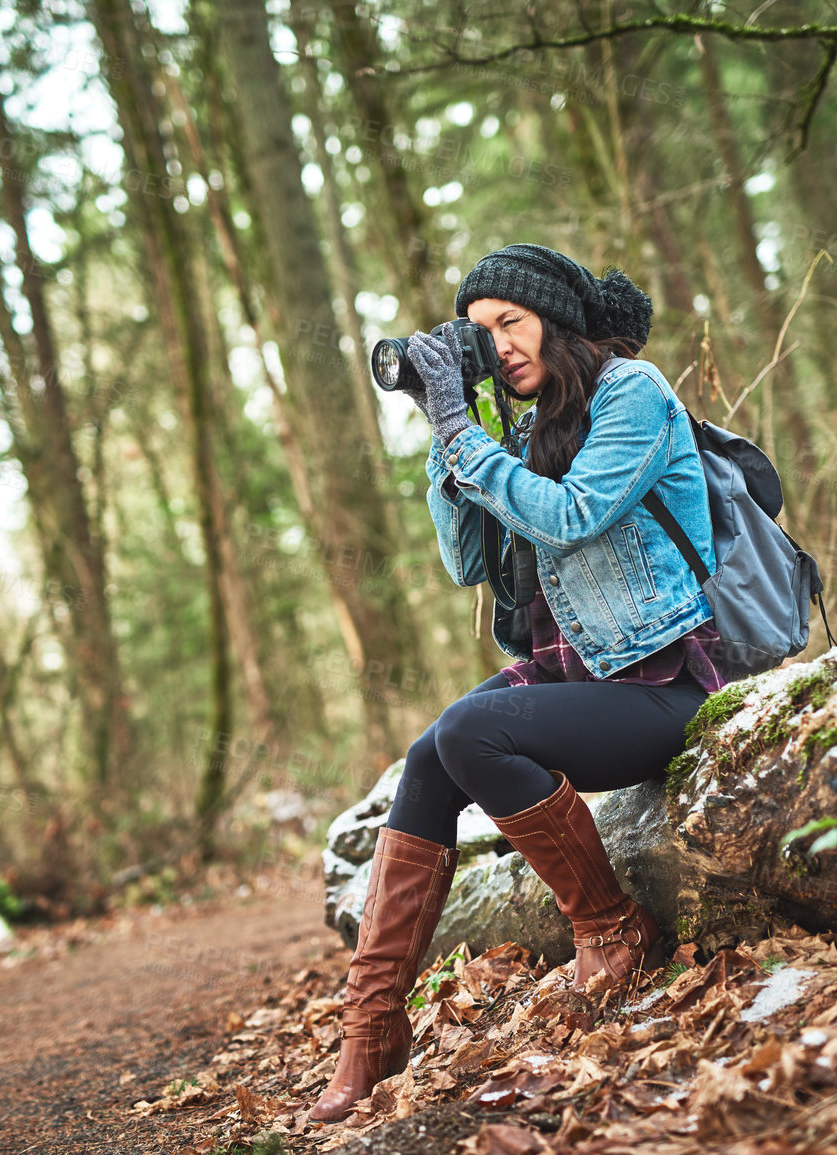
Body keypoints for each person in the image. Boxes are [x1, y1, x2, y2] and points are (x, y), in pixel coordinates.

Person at [310, 244, 729, 1123]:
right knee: (432, 750)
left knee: (471, 735)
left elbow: (574, 517)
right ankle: (372, 1026)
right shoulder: (517, 430)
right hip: (576, 678)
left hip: (660, 683)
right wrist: (445, 430)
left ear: (557, 321)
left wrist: (467, 439)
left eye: (510, 322)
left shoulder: (633, 393)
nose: (495, 345)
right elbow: (467, 559)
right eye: (478, 333)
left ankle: (609, 927)